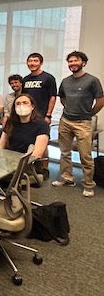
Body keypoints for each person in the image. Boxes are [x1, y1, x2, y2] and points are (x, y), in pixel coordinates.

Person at [52, 51, 104, 197]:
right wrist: (68, 108)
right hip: (65, 121)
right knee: (64, 152)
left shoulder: (92, 80)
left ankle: (88, 184)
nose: (72, 63)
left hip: (83, 123)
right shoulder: (66, 81)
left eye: (76, 61)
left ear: (84, 63)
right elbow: (62, 97)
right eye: (70, 61)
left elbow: (100, 101)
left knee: (85, 155)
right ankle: (67, 178)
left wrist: (89, 113)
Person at [22, 52, 57, 177]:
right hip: (28, 116)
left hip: (42, 115)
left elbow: (53, 97)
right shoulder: (25, 79)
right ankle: (31, 169)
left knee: (43, 143)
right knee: (30, 142)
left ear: (41, 63)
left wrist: (48, 115)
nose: (32, 63)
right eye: (30, 61)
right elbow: (24, 97)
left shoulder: (48, 78)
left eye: (35, 61)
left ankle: (44, 168)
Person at [0, 93, 49, 158]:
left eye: (25, 103)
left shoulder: (42, 125)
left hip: (28, 163)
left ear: (32, 107)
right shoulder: (10, 122)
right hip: (8, 160)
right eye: (18, 104)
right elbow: (0, 145)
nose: (21, 106)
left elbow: (37, 154)